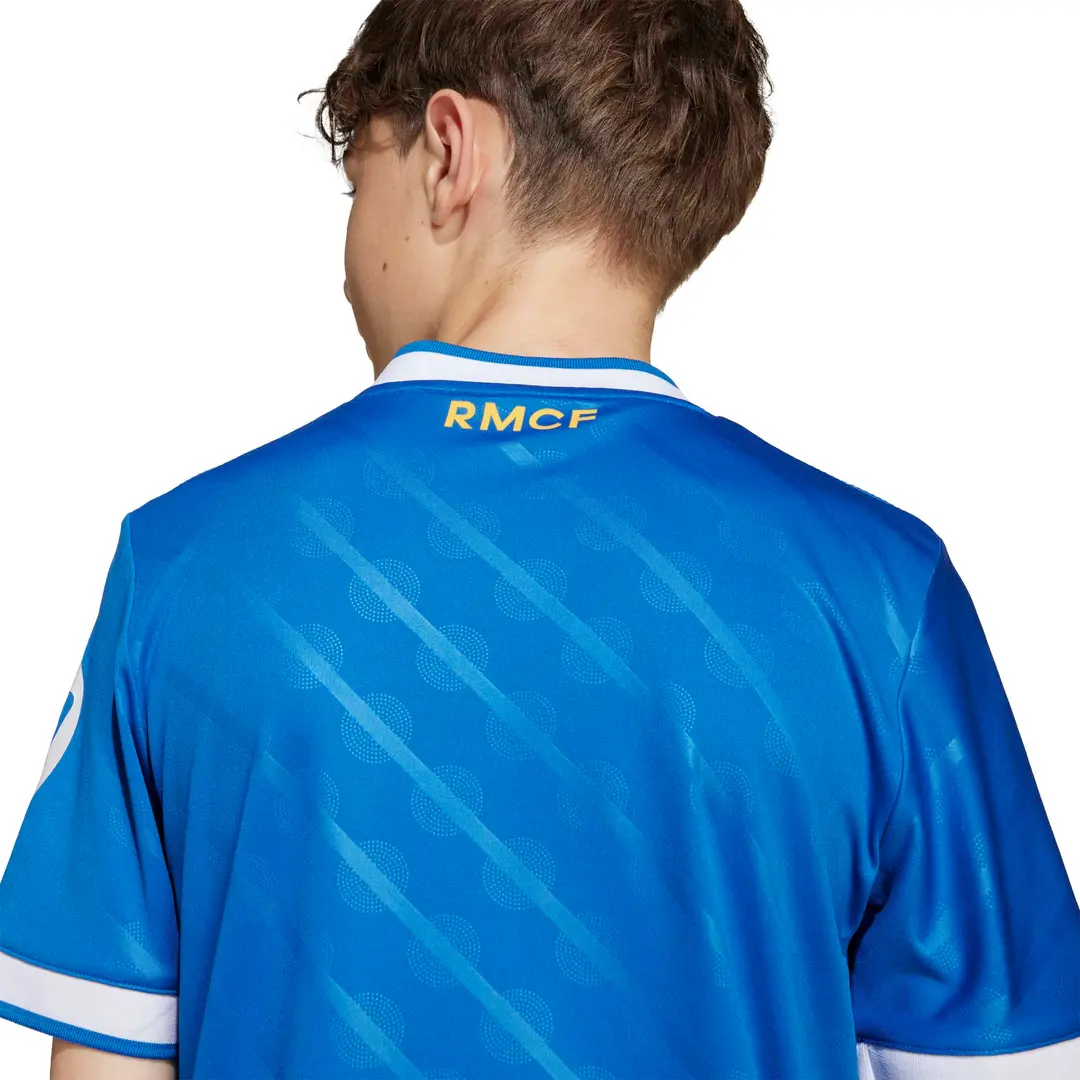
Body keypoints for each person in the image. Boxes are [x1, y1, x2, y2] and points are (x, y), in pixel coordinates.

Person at [1, 0, 1077, 1077]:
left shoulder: (186, 564)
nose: (347, 265)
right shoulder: (882, 595)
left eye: (360, 181)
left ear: (448, 154)